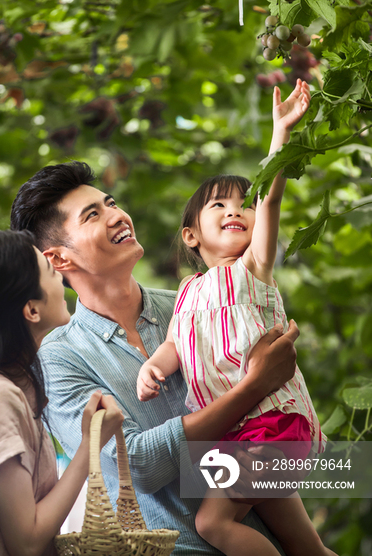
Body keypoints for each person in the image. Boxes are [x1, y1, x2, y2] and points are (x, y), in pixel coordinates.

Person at [10, 159, 301, 555]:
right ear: (59, 259)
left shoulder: (195, 302)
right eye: (94, 215)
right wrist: (254, 386)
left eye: (111, 203)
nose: (116, 215)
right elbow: (140, 465)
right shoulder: (59, 360)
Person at [136, 80, 334, 556]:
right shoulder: (186, 293)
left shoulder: (253, 269)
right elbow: (177, 346)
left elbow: (271, 200)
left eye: (241, 204)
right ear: (190, 235)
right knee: (305, 545)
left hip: (274, 422)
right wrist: (155, 366)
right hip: (238, 430)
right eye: (218, 205)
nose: (235, 211)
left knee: (213, 521)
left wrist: (280, 133)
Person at [0, 230, 123, 556]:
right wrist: (91, 445)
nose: (62, 279)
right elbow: (26, 541)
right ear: (31, 310)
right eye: (53, 273)